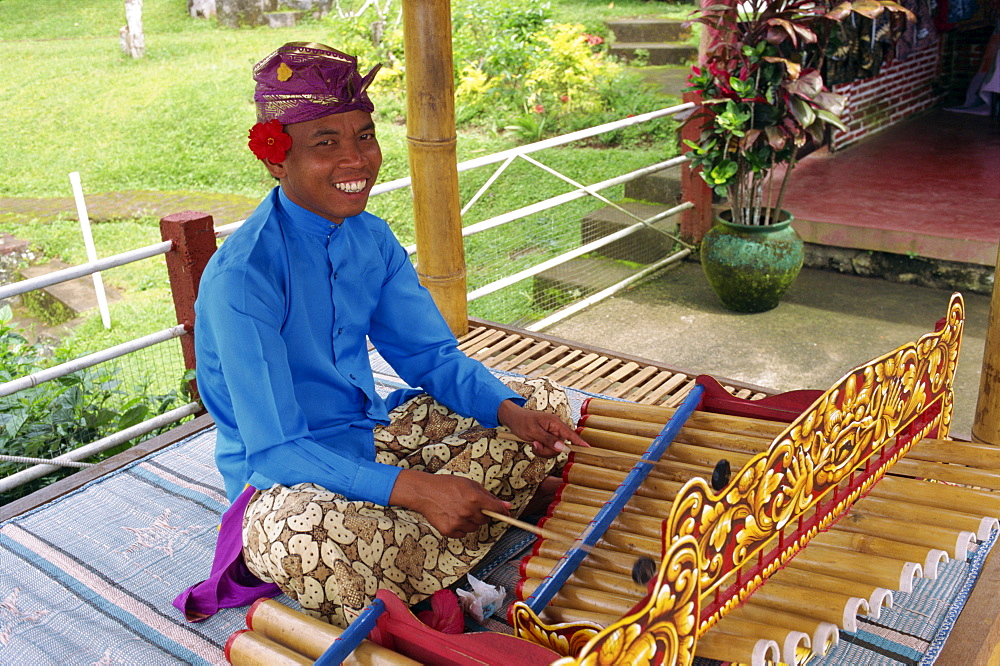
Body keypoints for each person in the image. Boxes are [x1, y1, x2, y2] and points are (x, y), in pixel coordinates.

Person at [173, 42, 586, 628]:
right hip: (288, 484)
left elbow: (428, 355)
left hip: (371, 437)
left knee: (539, 405)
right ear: (275, 158)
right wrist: (416, 490)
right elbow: (276, 449)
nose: (356, 160)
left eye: (364, 136)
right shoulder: (244, 277)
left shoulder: (372, 238)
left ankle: (420, 557)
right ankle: (435, 559)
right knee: (316, 538)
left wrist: (510, 412)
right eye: (326, 142)